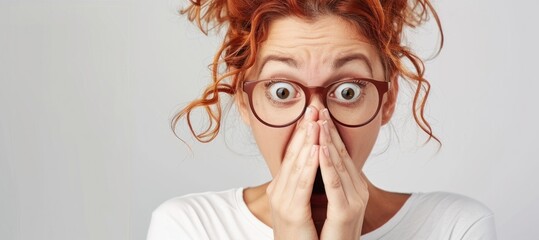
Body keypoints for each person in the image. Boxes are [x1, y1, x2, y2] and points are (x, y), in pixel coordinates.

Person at [147, 0, 497, 239]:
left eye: (348, 91)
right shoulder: (189, 227)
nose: (316, 125)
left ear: (387, 100)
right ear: (244, 102)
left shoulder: (454, 228)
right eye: (282, 91)